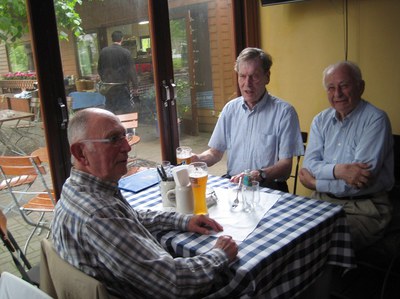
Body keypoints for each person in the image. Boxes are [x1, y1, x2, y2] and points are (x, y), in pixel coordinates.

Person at [51, 108, 238, 298]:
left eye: (125, 136)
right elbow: (174, 283)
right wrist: (219, 255)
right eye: (114, 139)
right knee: (243, 281)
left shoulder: (76, 188)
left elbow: (130, 218)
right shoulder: (98, 214)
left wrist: (182, 220)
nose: (127, 147)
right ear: (81, 152)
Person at [299, 61, 394, 251]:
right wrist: (339, 170)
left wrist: (317, 183)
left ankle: (336, 279)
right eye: (331, 88)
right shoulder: (320, 120)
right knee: (291, 232)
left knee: (320, 242)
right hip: (321, 200)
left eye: (344, 85)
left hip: (364, 209)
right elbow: (309, 165)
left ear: (361, 87)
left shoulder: (376, 119)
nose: (337, 94)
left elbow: (359, 182)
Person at [192, 47, 304, 192]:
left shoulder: (285, 112)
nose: (247, 84)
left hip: (268, 187)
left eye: (254, 76)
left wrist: (259, 174)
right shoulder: (230, 109)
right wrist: (197, 159)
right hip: (234, 184)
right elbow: (215, 153)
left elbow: (286, 166)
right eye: (242, 76)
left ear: (267, 77)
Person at [97, 30, 138, 115]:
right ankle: (127, 128)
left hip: (109, 89)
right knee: (125, 112)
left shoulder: (104, 52)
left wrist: (105, 80)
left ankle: (112, 128)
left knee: (110, 113)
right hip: (122, 88)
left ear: (112, 39)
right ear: (122, 39)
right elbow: (131, 71)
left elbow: (99, 69)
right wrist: (135, 87)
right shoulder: (126, 52)